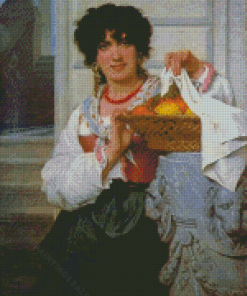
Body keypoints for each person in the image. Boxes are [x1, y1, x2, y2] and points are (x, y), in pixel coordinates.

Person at [39, 3, 231, 296]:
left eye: (125, 43)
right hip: (87, 227)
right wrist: (111, 154)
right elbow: (54, 183)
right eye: (105, 46)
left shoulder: (166, 95)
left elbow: (222, 113)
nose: (116, 55)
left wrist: (194, 68)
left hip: (151, 222)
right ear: (94, 56)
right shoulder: (84, 114)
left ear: (139, 50)